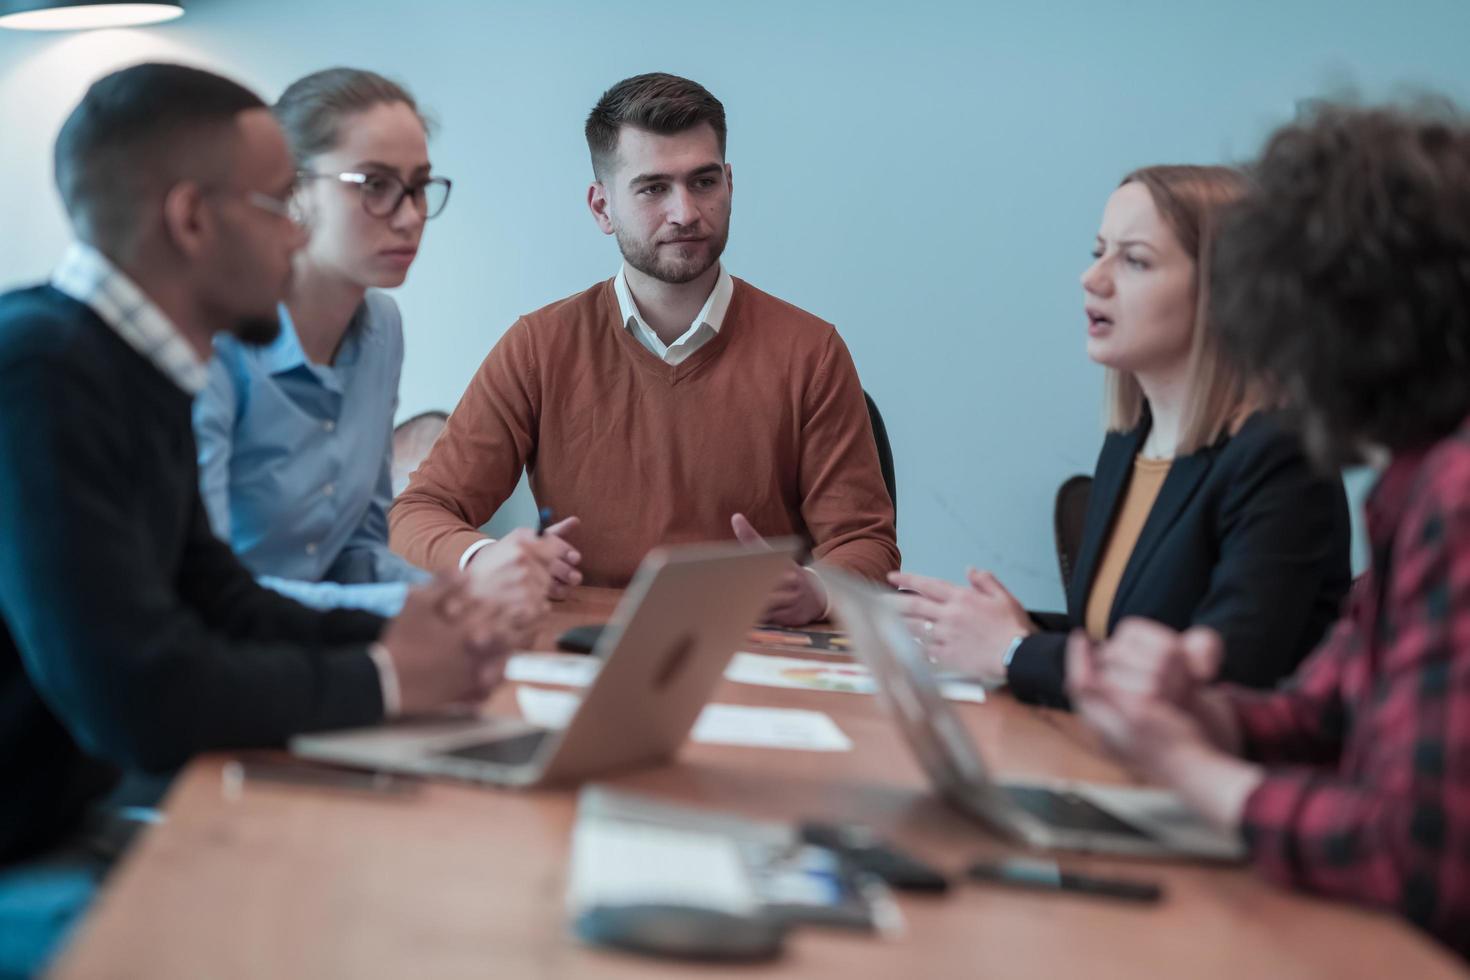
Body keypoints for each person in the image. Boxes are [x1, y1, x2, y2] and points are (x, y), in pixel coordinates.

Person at [0, 64, 539, 975]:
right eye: (274, 205)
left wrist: (417, 629)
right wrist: (386, 680)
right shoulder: (41, 376)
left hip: (79, 824)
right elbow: (138, 695)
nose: (296, 236)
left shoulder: (135, 366)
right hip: (32, 855)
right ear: (192, 220)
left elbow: (217, 595)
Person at [1066, 102, 1470, 960]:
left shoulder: (1456, 493)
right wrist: (1213, 718)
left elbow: (1415, 857)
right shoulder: (1415, 478)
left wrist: (1197, 773)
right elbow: (1326, 707)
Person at [389, 72, 899, 625]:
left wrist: (817, 590)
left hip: (754, 647)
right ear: (601, 207)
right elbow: (416, 513)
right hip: (584, 646)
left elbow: (867, 546)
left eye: (703, 182)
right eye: (653, 188)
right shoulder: (539, 346)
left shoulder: (812, 351)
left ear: (730, 184)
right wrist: (486, 557)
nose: (684, 212)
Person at [892, 166, 1351, 706]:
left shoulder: (1282, 459)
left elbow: (1219, 682)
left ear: (1228, 295)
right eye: (1098, 252)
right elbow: (1112, 643)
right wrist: (966, 627)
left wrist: (1016, 649)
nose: (1093, 279)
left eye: (1134, 260)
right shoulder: (1130, 445)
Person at [192, 68, 571, 616]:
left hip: (326, 653)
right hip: (231, 659)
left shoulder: (381, 328)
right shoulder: (216, 339)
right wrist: (429, 609)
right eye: (375, 185)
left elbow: (356, 551)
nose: (412, 215)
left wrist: (466, 591)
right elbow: (208, 592)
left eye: (419, 186)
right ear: (291, 191)